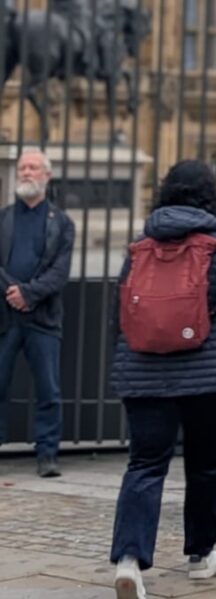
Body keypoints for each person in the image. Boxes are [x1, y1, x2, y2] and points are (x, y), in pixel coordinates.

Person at [108, 161, 216, 599]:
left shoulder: (140, 245)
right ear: (212, 196)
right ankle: (201, 556)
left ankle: (129, 560)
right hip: (207, 377)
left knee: (145, 465)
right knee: (204, 467)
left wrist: (124, 366)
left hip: (143, 372)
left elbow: (120, 317)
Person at [0, 149, 75, 478]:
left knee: (48, 389)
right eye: (22, 168)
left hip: (42, 318)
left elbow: (60, 273)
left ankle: (47, 454)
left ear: (46, 175)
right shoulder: (3, 218)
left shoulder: (61, 223)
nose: (26, 173)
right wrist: (12, 292)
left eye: (33, 168)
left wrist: (29, 294)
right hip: (5, 316)